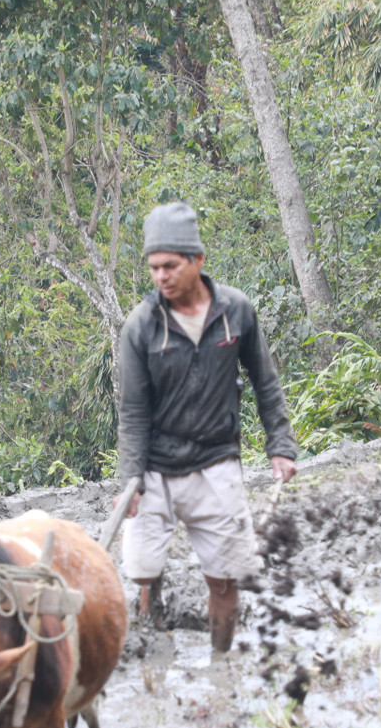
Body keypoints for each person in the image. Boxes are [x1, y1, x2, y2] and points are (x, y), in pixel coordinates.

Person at [116, 201, 299, 653]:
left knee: (226, 576)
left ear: (198, 260)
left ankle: (222, 663)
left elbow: (265, 383)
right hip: (157, 465)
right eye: (154, 267)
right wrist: (131, 480)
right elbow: (133, 411)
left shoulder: (235, 312)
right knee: (140, 566)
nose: (161, 276)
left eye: (171, 265)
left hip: (216, 460)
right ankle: (149, 596)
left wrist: (281, 445)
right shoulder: (141, 327)